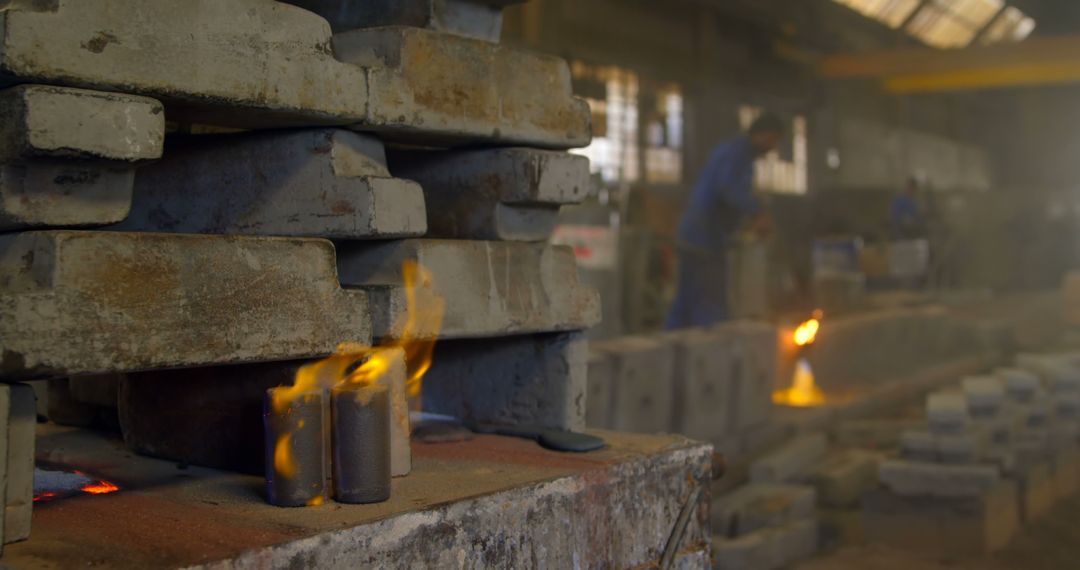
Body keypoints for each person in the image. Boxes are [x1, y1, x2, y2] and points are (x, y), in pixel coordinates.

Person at [666, 113, 783, 329]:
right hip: (705, 238)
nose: (773, 147)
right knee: (710, 305)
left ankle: (672, 351)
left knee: (686, 301)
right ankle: (711, 354)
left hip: (694, 235)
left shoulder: (734, 153)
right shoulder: (737, 155)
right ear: (763, 135)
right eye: (774, 140)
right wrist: (758, 211)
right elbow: (728, 190)